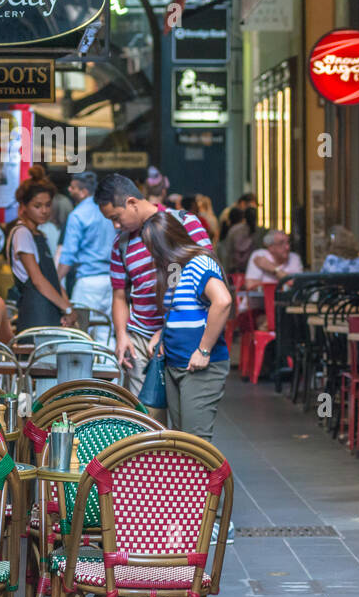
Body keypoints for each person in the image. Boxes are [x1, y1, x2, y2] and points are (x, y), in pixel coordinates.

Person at [96, 173, 212, 417]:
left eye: (116, 218)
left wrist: (165, 331)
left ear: (131, 202)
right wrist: (121, 336)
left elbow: (208, 281)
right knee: (146, 424)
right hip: (140, 338)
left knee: (184, 424)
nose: (115, 226)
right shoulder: (122, 243)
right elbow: (119, 295)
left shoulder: (184, 223)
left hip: (183, 335)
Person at [141, 213, 232, 441]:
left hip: (199, 366)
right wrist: (161, 334)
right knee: (181, 441)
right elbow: (179, 310)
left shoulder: (200, 262)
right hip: (174, 364)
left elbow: (223, 301)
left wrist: (203, 350)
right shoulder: (173, 268)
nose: (150, 254)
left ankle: (211, 479)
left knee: (195, 444)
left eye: (153, 248)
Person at [8, 172, 75, 330]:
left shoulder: (39, 234)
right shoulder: (22, 233)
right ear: (23, 207)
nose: (44, 211)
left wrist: (67, 307)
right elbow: (38, 280)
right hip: (36, 313)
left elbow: (52, 278)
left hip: (49, 309)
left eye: (48, 205)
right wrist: (66, 308)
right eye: (37, 206)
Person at [58, 171, 117, 347]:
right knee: (106, 334)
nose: (69, 190)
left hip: (88, 282)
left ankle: (83, 375)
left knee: (79, 336)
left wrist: (56, 278)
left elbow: (68, 254)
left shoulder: (77, 215)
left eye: (73, 187)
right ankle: (113, 374)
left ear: (83, 192)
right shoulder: (107, 211)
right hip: (111, 281)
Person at [244, 229, 303, 293]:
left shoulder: (294, 258)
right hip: (259, 301)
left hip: (285, 302)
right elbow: (250, 285)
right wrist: (284, 284)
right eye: (281, 243)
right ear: (271, 247)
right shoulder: (259, 255)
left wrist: (273, 269)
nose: (287, 247)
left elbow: (298, 285)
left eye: (288, 242)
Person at [217, 207, 260, 277]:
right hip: (252, 268)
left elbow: (227, 251)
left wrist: (225, 271)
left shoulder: (235, 230)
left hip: (235, 269)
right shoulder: (259, 231)